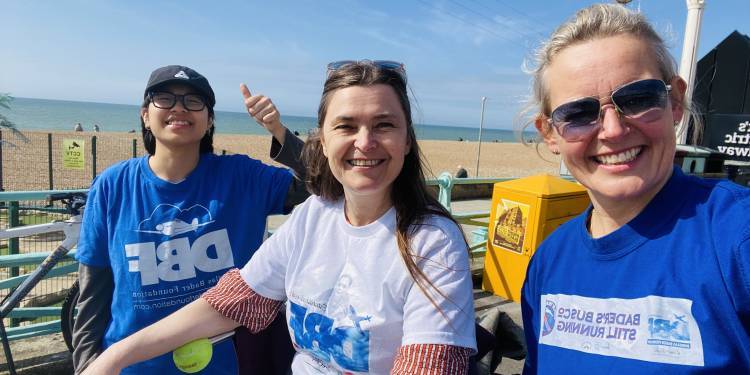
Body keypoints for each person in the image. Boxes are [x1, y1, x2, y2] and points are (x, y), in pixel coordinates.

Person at [81, 60, 477, 374]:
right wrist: (110, 357)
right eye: (346, 126)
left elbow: (431, 360)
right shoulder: (313, 218)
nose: (365, 142)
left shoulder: (431, 241)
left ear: (408, 140)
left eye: (384, 125)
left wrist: (277, 131)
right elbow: (231, 301)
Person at [520, 4, 750, 373]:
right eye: (579, 113)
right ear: (550, 134)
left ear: (675, 101)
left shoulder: (736, 237)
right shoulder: (549, 261)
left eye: (639, 98)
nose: (612, 130)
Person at [72, 65, 307, 374]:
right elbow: (93, 289)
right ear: (145, 114)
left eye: (194, 101)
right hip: (132, 365)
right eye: (165, 98)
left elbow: (322, 183)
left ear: (209, 121)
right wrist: (88, 363)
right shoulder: (112, 185)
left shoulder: (241, 176)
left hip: (230, 362)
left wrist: (278, 130)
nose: (179, 108)